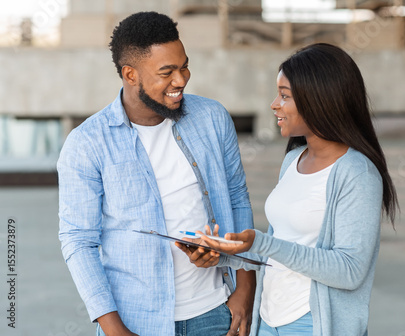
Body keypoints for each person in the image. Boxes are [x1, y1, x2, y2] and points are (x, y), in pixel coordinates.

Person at [178, 43, 398, 336]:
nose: (274, 104)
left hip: (312, 323)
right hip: (269, 319)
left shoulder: (357, 173)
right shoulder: (294, 159)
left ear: (319, 100)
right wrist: (223, 255)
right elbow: (283, 246)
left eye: (285, 96)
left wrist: (261, 242)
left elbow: (349, 270)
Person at [58, 11, 256, 336]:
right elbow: (79, 241)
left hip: (216, 311)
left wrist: (245, 287)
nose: (181, 80)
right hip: (135, 322)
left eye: (184, 66)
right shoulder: (87, 143)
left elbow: (236, 197)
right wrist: (114, 329)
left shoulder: (213, 118)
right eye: (167, 72)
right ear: (130, 74)